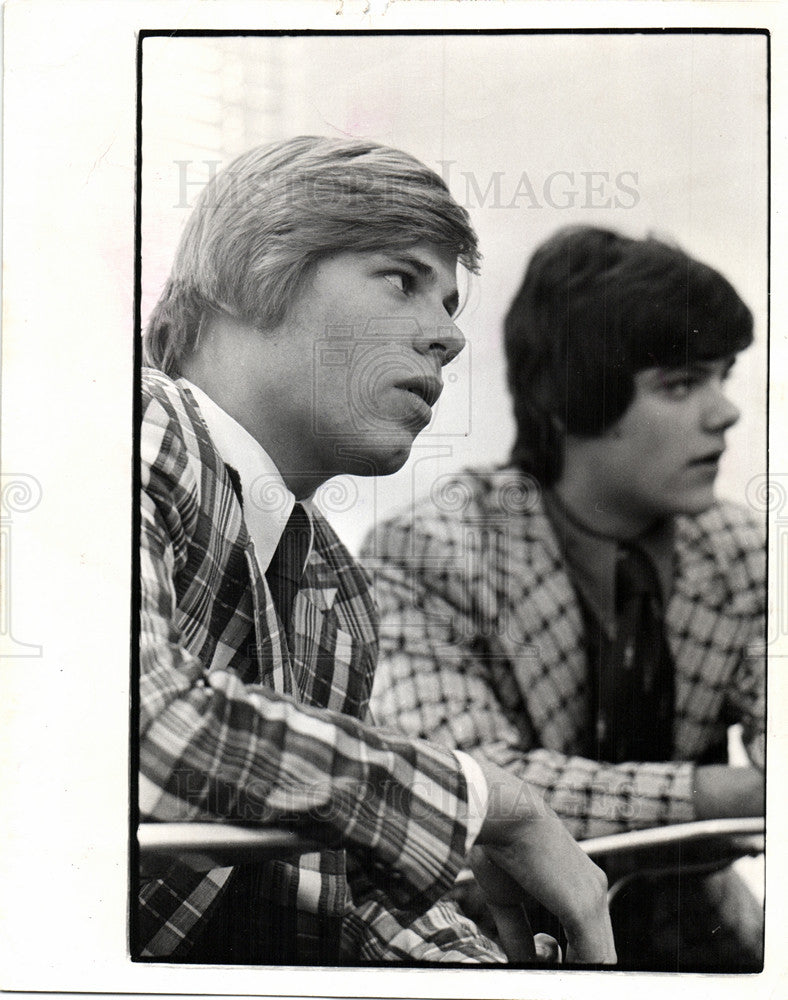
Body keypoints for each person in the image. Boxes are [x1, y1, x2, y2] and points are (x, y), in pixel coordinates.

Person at [136, 139, 616, 966]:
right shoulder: (134, 422)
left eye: (453, 306)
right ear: (256, 270)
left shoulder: (334, 585)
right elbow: (140, 734)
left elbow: (331, 895)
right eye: (402, 279)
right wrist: (488, 799)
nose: (449, 339)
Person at [362, 225, 765, 971]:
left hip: (698, 937)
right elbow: (479, 784)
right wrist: (727, 794)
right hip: (488, 943)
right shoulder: (433, 552)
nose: (725, 413)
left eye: (723, 376)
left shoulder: (745, 551)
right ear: (573, 401)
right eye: (681, 384)